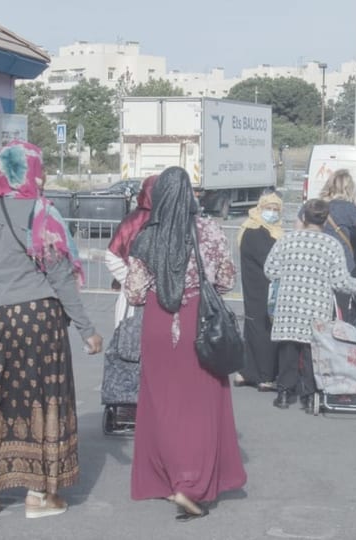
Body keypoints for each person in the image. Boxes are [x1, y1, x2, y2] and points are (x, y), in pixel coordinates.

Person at [0, 141, 103, 523]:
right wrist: (86, 329)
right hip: (36, 321)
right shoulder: (44, 214)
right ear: (32, 172)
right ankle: (38, 495)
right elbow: (60, 277)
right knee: (38, 400)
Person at [125, 166, 246, 521]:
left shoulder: (147, 234)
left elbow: (133, 293)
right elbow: (224, 280)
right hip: (198, 323)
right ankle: (191, 484)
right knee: (201, 409)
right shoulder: (207, 230)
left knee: (162, 406)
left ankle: (168, 478)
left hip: (159, 324)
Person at [264, 198, 356, 408]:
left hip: (289, 305)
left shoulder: (287, 240)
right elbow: (339, 280)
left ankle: (284, 392)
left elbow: (270, 270)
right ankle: (309, 396)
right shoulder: (331, 245)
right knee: (312, 353)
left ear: (303, 217)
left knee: (288, 349)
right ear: (325, 220)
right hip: (316, 306)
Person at [235, 192, 285, 391]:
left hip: (257, 286)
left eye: (275, 209)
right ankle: (265, 375)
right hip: (262, 287)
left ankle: (247, 371)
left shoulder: (261, 230)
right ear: (260, 208)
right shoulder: (256, 231)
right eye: (268, 209)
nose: (272, 213)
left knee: (253, 326)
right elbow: (270, 261)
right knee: (264, 329)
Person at [316, 169, 356, 323]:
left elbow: (299, 227)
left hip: (318, 262)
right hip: (343, 263)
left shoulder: (316, 206)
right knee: (340, 307)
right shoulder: (347, 208)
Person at [105, 175, 159, 326]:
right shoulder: (169, 220)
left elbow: (111, 256)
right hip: (155, 296)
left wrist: (129, 279)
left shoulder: (131, 220)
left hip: (133, 294)